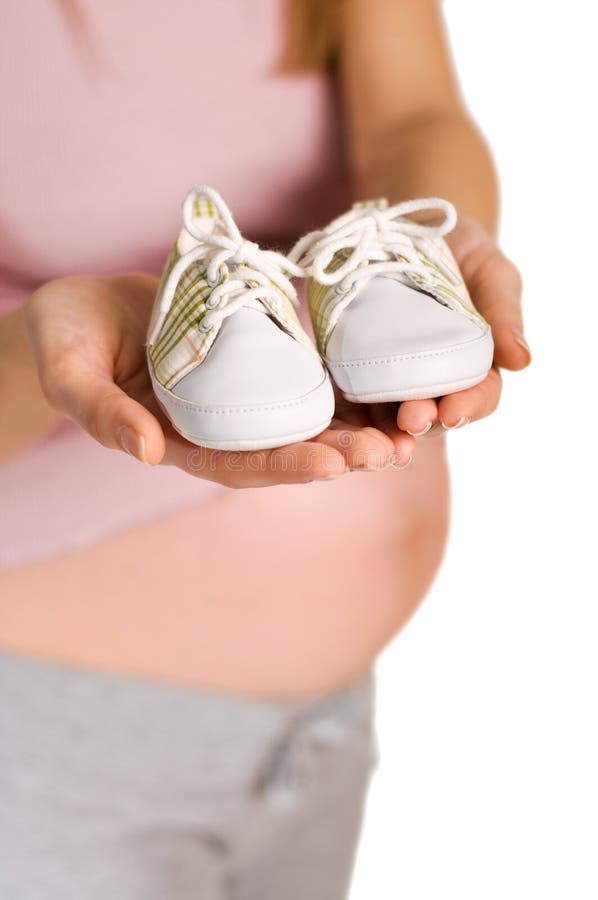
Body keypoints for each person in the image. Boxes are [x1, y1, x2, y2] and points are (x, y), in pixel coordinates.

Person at [0, 1, 530, 897]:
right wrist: (35, 354)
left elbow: (415, 116)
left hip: (316, 739)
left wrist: (427, 244)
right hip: (51, 747)